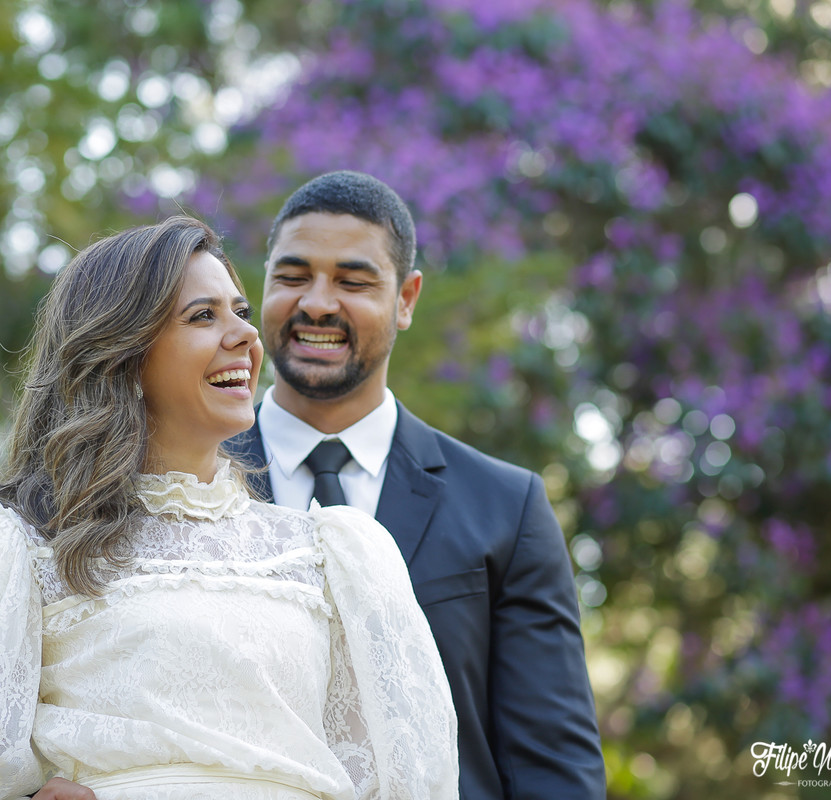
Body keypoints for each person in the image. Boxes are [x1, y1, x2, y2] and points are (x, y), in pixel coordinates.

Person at [0, 216, 458, 799]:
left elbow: (405, 783)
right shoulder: (7, 553)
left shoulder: (333, 555)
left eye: (241, 312)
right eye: (203, 316)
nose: (246, 337)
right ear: (122, 354)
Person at [227, 172, 606, 799]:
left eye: (353, 282)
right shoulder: (175, 482)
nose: (317, 303)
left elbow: (554, 767)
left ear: (406, 299)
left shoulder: (507, 508)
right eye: (292, 276)